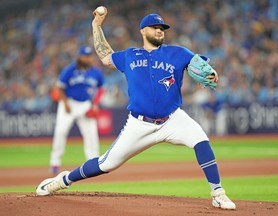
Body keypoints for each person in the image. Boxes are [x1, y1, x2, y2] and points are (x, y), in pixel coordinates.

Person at [36, 7, 236, 210]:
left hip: (172, 119)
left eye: (162, 28)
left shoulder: (178, 53)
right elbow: (106, 56)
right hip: (139, 124)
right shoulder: (130, 55)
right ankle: (62, 180)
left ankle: (218, 192)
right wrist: (96, 25)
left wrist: (210, 73)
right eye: (155, 27)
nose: (160, 31)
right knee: (106, 164)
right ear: (143, 31)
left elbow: (199, 65)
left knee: (200, 139)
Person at [49, 45, 105, 174]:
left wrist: (95, 104)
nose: (88, 58)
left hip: (85, 105)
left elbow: (101, 89)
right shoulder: (69, 70)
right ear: (80, 57)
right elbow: (59, 87)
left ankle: (93, 163)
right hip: (69, 103)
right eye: (85, 56)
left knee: (91, 134)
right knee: (61, 132)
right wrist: (65, 103)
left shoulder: (96, 72)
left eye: (89, 56)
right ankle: (55, 162)